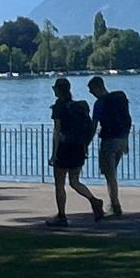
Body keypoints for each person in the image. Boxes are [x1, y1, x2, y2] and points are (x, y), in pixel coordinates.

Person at [48, 76, 104, 226]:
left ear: (59, 90)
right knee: (74, 181)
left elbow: (57, 132)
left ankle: (61, 216)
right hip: (78, 148)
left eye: (55, 88)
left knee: (59, 184)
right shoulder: (77, 106)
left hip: (65, 149)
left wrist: (54, 154)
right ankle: (94, 200)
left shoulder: (59, 107)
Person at [86, 74, 130, 218]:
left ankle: (115, 205)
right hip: (121, 139)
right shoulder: (119, 99)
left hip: (109, 141)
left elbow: (93, 126)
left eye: (92, 90)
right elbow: (127, 120)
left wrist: (86, 143)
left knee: (110, 174)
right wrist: (126, 140)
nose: (91, 93)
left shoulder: (100, 103)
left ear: (98, 87)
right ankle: (114, 203)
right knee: (111, 174)